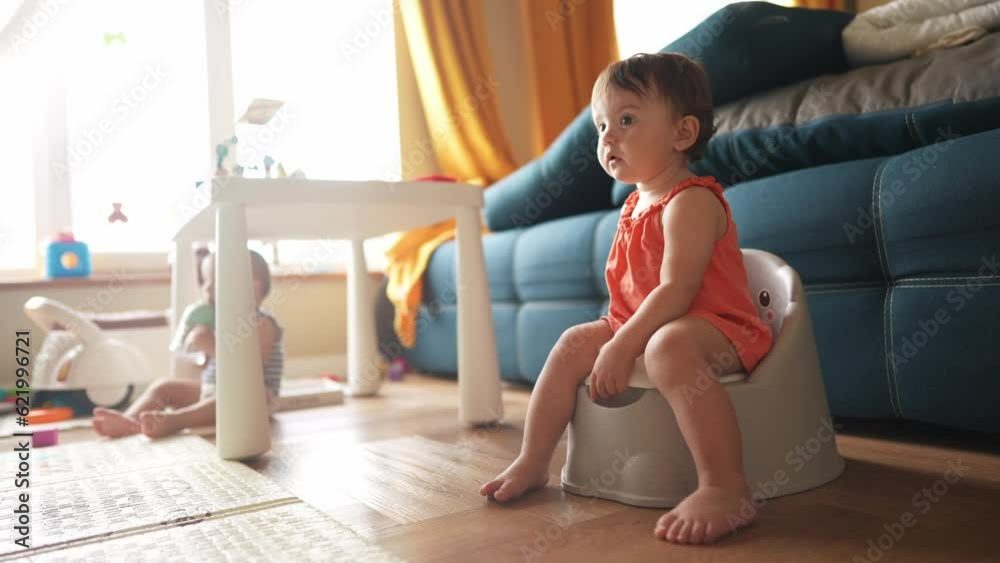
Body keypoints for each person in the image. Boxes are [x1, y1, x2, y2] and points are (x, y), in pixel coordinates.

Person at [479, 53, 773, 545]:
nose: (607, 137)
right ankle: (534, 460)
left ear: (682, 133)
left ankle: (725, 487)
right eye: (601, 125)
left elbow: (678, 292)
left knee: (668, 347)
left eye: (627, 120)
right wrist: (612, 337)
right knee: (574, 343)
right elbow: (632, 302)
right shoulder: (636, 204)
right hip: (648, 327)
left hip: (716, 328)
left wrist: (621, 345)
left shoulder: (690, 201)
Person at [92, 249, 283, 439]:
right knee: (164, 387)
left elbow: (249, 372)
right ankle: (129, 421)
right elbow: (213, 366)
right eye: (205, 281)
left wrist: (212, 346)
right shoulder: (221, 322)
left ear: (251, 288)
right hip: (213, 391)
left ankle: (174, 421)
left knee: (232, 398)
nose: (206, 289)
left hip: (252, 399)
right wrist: (199, 351)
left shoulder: (261, 323)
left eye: (214, 281)